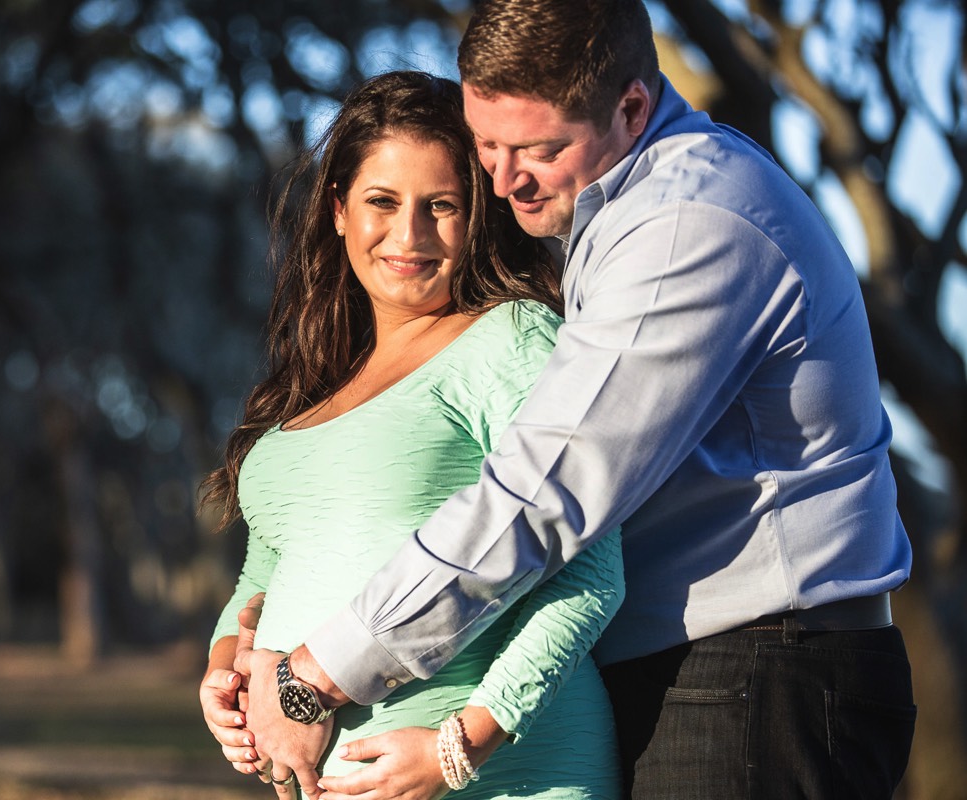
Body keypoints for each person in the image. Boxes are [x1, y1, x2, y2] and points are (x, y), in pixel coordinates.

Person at [233, 1, 918, 798]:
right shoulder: (611, 212)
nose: (501, 178)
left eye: (536, 148)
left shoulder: (683, 228)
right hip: (709, 671)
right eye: (485, 144)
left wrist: (316, 676)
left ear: (631, 106)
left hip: (761, 676)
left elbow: (543, 494)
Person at [198, 70, 624, 799]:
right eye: (383, 202)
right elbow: (265, 571)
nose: (410, 235)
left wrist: (463, 744)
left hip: (510, 779)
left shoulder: (514, 339)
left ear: (477, 215)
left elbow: (591, 575)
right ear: (338, 210)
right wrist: (223, 668)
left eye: (442, 206)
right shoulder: (314, 382)